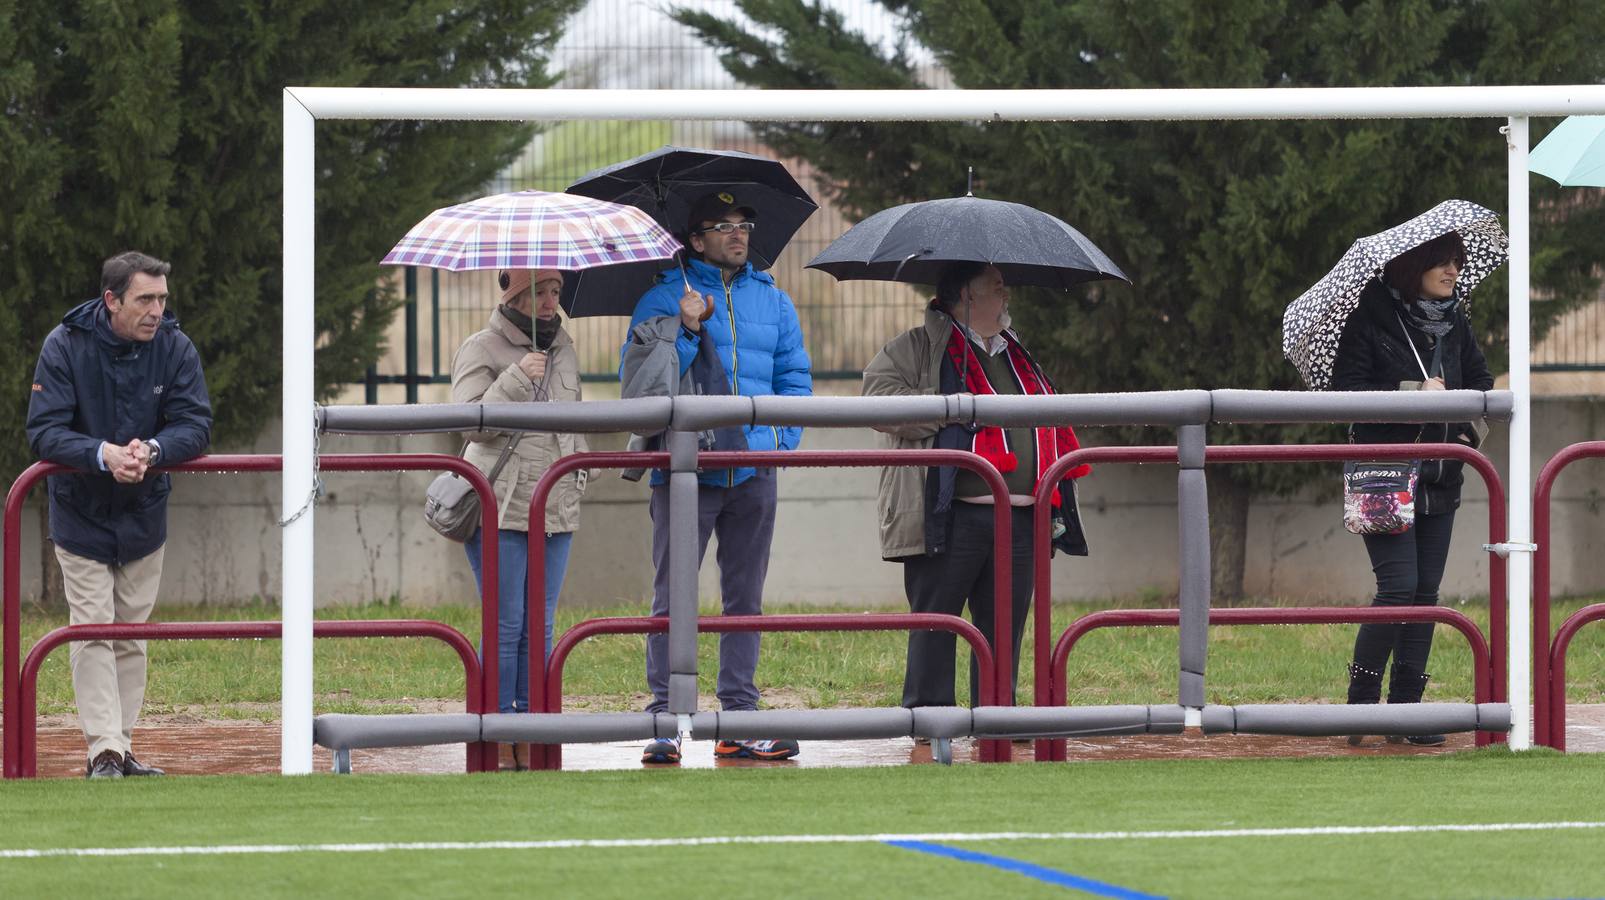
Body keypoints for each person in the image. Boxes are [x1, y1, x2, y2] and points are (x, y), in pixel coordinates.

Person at [621, 191, 813, 764]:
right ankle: (665, 720)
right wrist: (682, 327)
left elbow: (793, 379)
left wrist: (774, 444)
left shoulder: (774, 301)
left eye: (744, 223)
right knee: (671, 597)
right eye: (723, 225)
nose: (738, 234)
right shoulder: (659, 296)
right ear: (696, 238)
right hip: (683, 471)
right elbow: (642, 392)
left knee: (744, 599)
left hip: (754, 470)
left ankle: (739, 716)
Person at [863, 262, 1089, 713]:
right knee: (936, 626)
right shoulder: (915, 347)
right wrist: (951, 408)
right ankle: (929, 726)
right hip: (949, 514)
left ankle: (996, 724)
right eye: (997, 287)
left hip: (1021, 517)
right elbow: (877, 404)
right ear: (965, 296)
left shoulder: (1016, 352)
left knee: (1004, 631)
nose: (1007, 295)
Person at [25, 251, 212, 779]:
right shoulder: (64, 344)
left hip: (144, 515)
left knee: (133, 635)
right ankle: (102, 751)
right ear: (112, 301)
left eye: (162, 299)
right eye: (145, 299)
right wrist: (102, 454)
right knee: (92, 630)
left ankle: (121, 750)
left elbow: (196, 424)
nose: (157, 310)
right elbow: (43, 430)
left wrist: (151, 451)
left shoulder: (175, 347)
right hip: (80, 511)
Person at [1330, 232, 1493, 746]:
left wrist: (1465, 423)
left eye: (1457, 264)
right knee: (1398, 589)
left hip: (1441, 476)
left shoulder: (1456, 321)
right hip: (1382, 473)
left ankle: (1406, 712)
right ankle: (1360, 709)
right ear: (1412, 268)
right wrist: (1412, 392)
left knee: (1424, 595)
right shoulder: (1372, 316)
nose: (1453, 273)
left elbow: (1483, 387)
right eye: (1442, 264)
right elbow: (1347, 393)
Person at [451, 269, 591, 765]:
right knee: (506, 624)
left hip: (555, 504)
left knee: (542, 626)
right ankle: (496, 731)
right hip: (501, 504)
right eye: (539, 291)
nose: (551, 300)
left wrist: (579, 472)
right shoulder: (481, 347)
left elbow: (573, 418)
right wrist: (514, 379)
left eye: (555, 290)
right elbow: (467, 423)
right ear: (515, 295)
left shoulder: (565, 348)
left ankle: (533, 730)